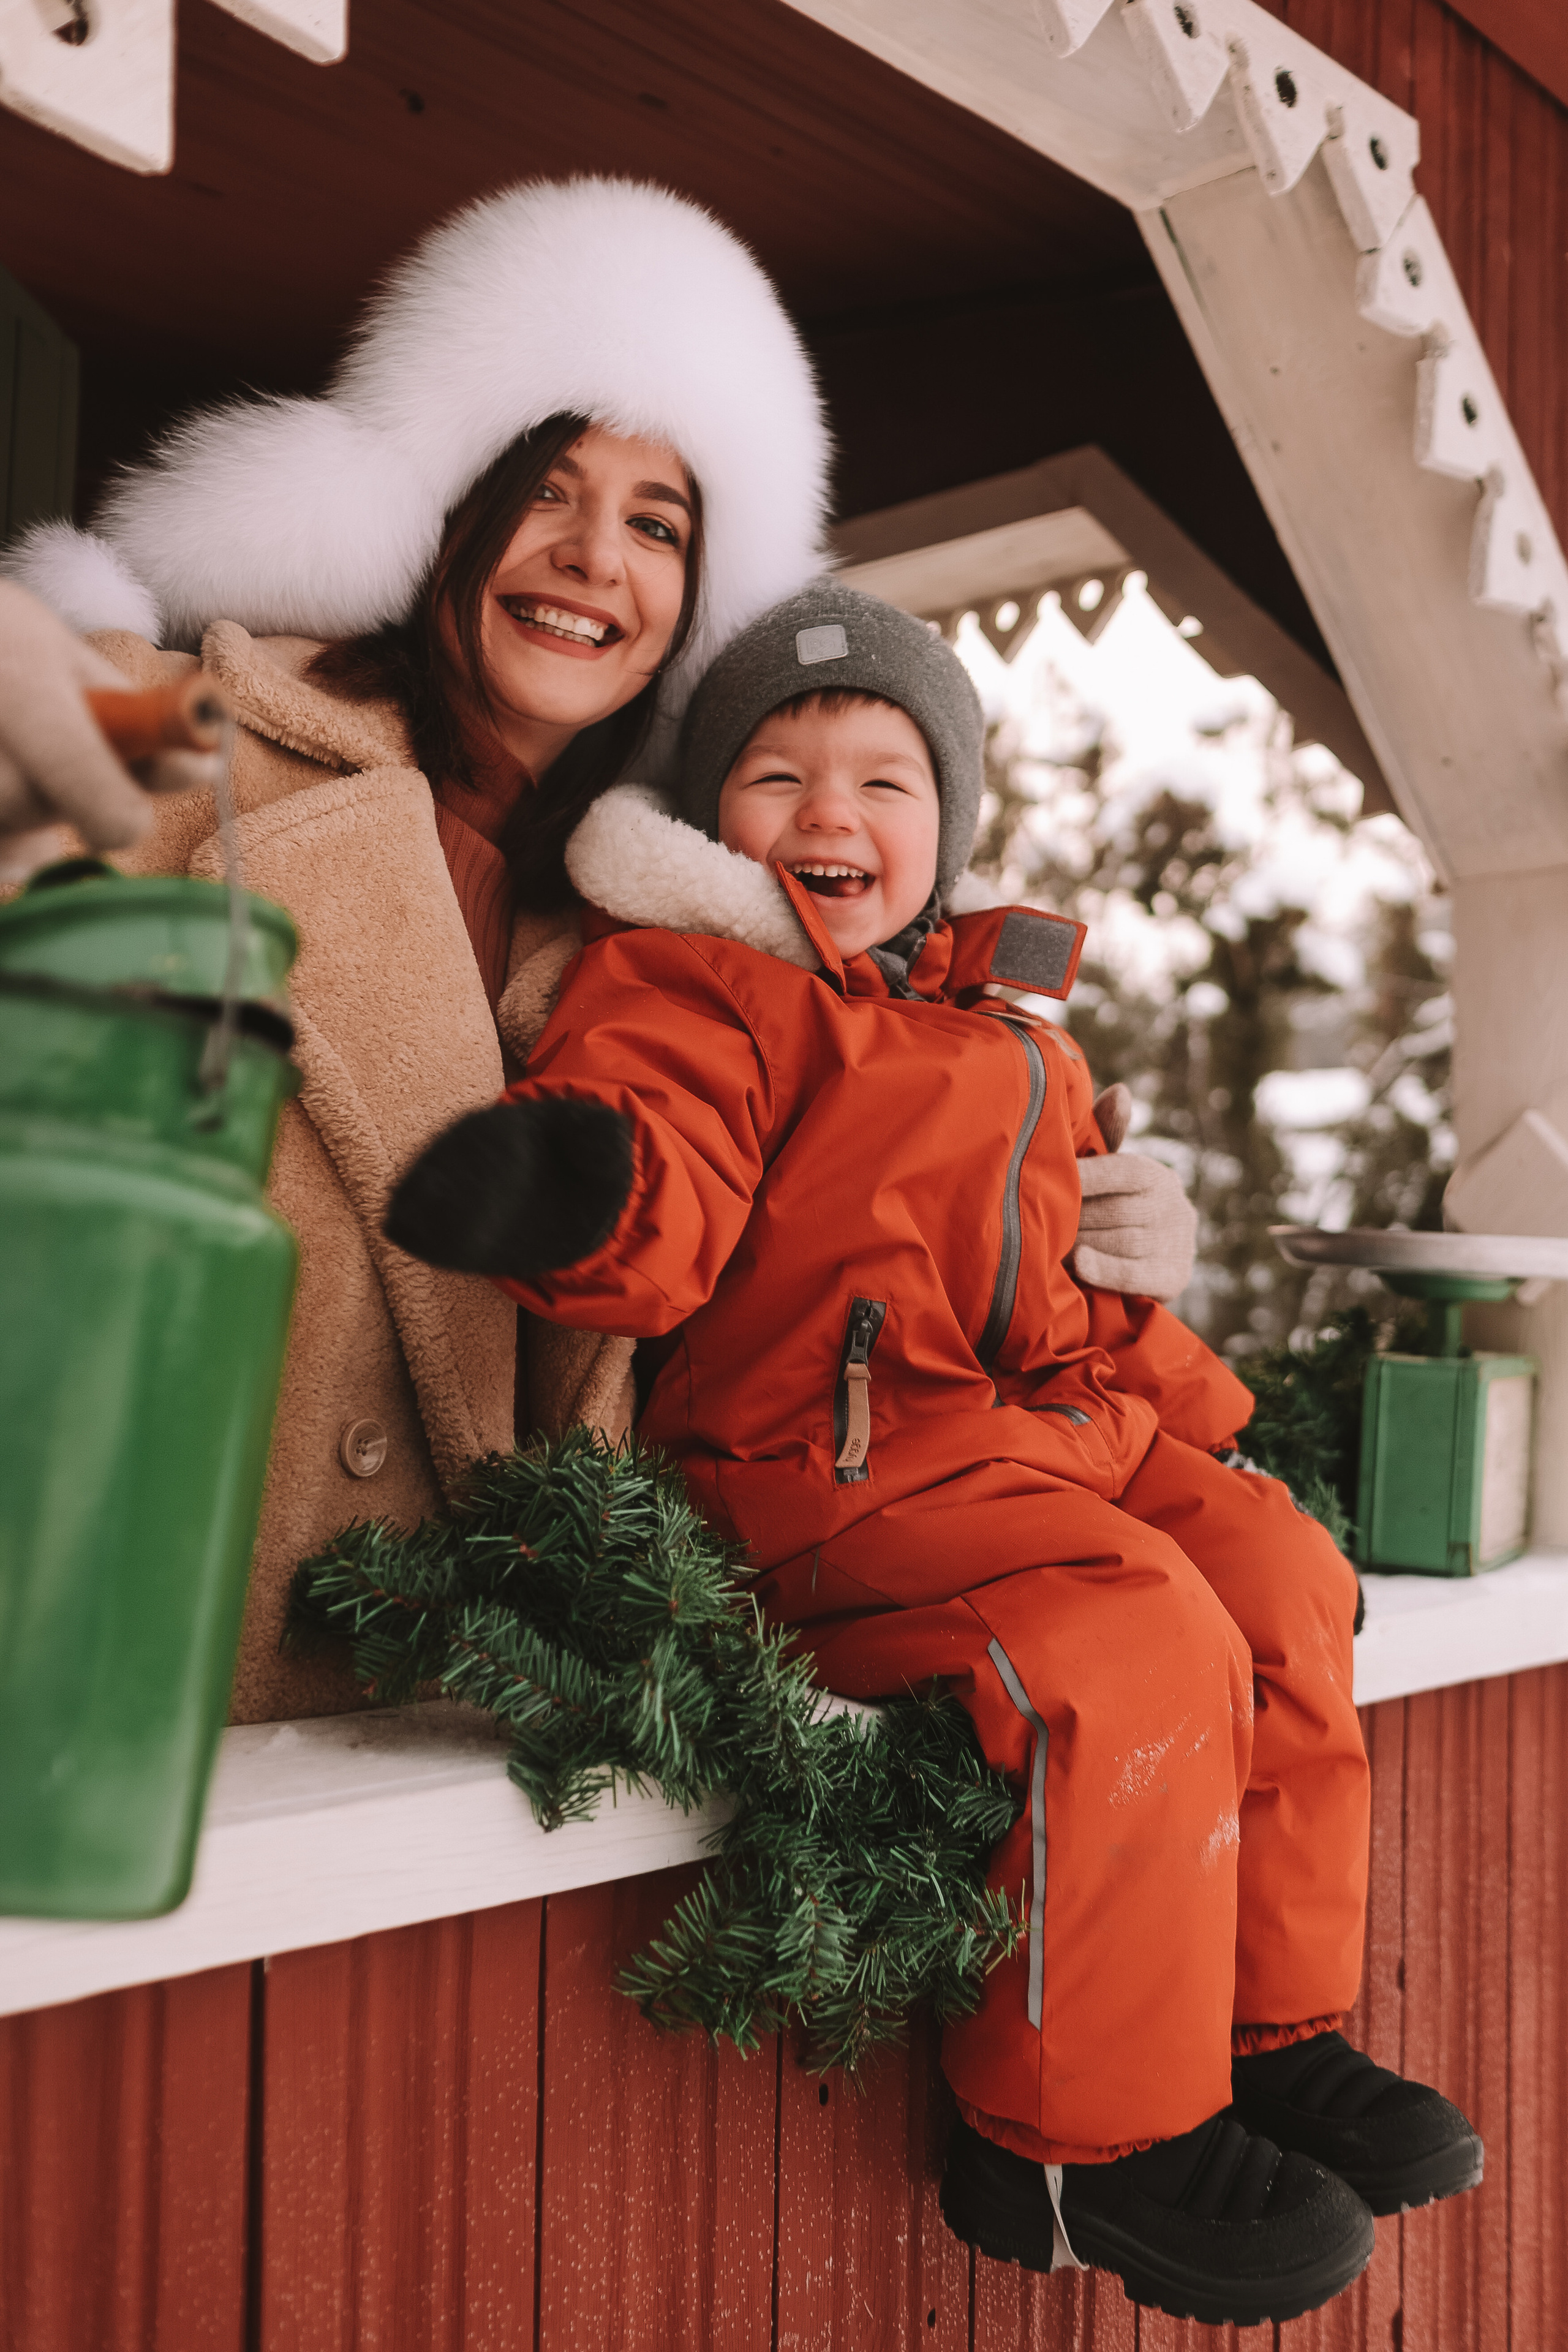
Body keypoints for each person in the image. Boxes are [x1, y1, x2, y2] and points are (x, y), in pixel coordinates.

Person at [385, 582, 1483, 2328]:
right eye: (781, 776)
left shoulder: (1012, 1037)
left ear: (948, 828)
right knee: (1131, 1644)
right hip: (823, 1473)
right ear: (711, 824)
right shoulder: (705, 986)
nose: (833, 813)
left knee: (1279, 1576)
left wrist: (1198, 1400)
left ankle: (1264, 2031)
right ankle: (1074, 2146)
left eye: (887, 780)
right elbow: (659, 1162)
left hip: (1031, 1448)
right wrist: (575, 1187)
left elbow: (1079, 1294)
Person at [0, 179, 1198, 1726]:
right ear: (438, 506)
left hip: (450, 1734)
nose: (592, 559)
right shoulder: (165, 736)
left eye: (656, 523)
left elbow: (848, 1282)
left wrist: (1108, 1234)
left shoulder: (676, 944)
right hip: (107, 1669)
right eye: (547, 491)